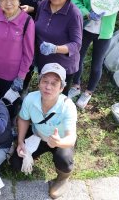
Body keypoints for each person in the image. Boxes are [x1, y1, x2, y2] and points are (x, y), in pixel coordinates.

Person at [10, 63, 77, 199]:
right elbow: (23, 119)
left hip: (59, 140)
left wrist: (59, 141)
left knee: (63, 158)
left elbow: (71, 138)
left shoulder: (68, 106)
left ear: (61, 88)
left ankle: (63, 178)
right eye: (45, 81)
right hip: (38, 134)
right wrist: (21, 141)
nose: (48, 87)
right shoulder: (30, 98)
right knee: (16, 163)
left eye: (54, 83)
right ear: (39, 83)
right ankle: (34, 153)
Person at [34, 0, 83, 92]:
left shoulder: (73, 13)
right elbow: (36, 28)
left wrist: (55, 48)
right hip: (43, 62)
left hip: (63, 66)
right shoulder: (43, 5)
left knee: (58, 100)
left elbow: (76, 45)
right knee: (44, 94)